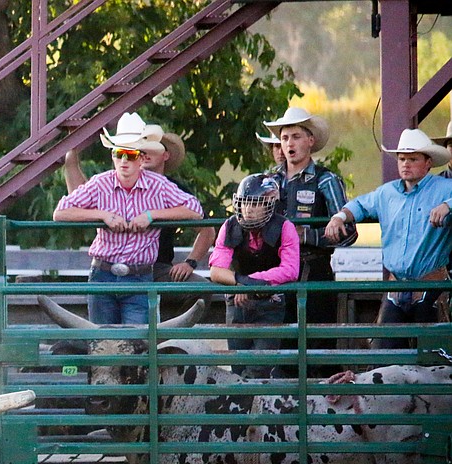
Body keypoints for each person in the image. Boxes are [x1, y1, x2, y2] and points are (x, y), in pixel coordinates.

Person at [63, 113, 214, 316]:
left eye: (132, 154)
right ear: (113, 155)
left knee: (141, 338)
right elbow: (68, 206)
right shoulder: (101, 183)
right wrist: (104, 215)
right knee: (102, 338)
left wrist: (189, 261)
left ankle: (166, 337)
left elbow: (201, 220)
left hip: (150, 269)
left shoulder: (167, 187)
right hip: (105, 269)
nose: (125, 160)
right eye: (119, 153)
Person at [324, 128, 452, 349]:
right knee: (385, 356)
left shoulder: (444, 188)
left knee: (433, 361)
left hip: (431, 286)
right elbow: (360, 204)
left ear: (428, 163)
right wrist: (339, 216)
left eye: (413, 159)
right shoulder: (386, 193)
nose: (405, 164)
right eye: (402, 159)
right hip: (396, 288)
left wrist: (448, 205)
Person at [264, 107, 354, 371]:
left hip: (314, 271)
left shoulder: (326, 181)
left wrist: (308, 235)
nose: (290, 144)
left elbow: (349, 234)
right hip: (277, 272)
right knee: (282, 351)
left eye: (296, 137)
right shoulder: (269, 181)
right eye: (285, 138)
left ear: (310, 140)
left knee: (319, 348)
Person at [208, 174, 300, 377]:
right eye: (243, 204)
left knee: (260, 366)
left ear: (269, 204)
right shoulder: (229, 226)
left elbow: (290, 269)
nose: (248, 210)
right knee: (238, 365)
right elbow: (216, 270)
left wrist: (248, 284)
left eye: (255, 204)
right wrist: (242, 284)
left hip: (270, 302)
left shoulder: (285, 227)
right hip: (238, 302)